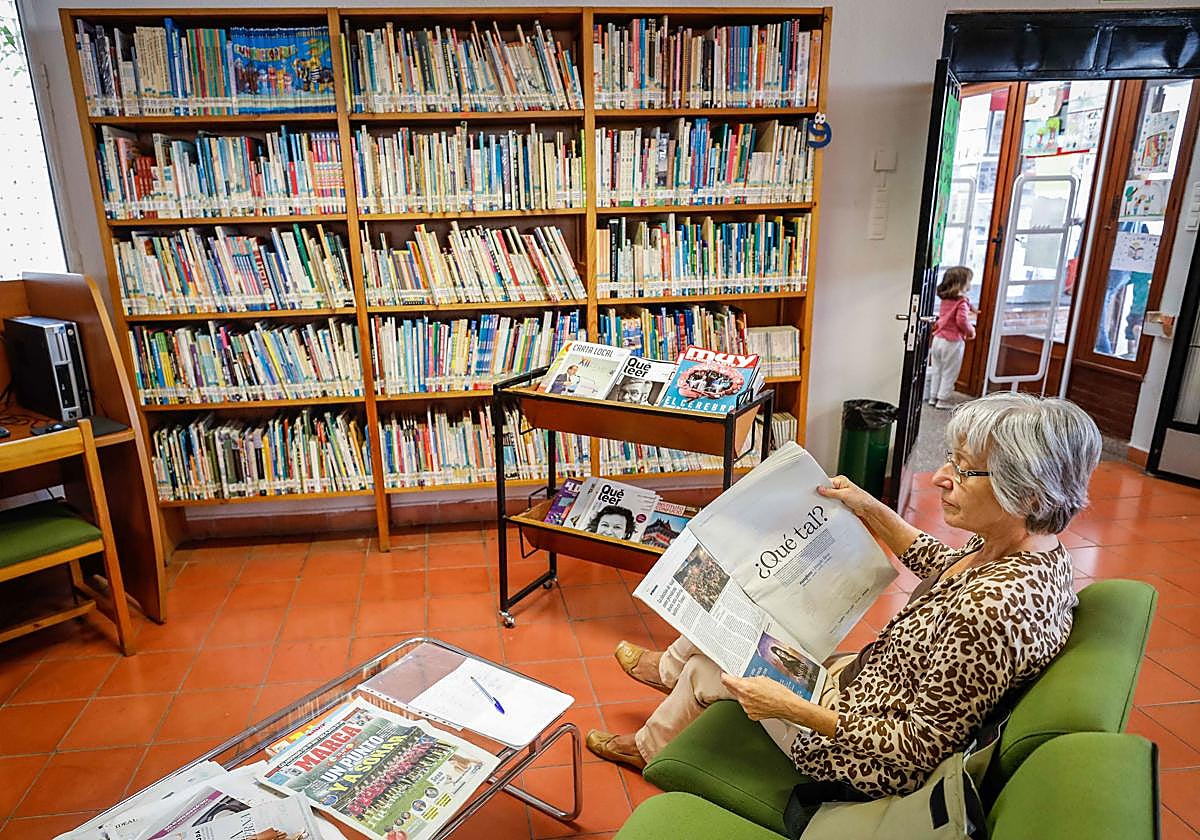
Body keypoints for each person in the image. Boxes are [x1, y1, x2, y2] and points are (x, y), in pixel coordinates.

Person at [586, 392, 1099, 798]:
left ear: (1028, 494)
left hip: (860, 749)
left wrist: (790, 707)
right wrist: (867, 506)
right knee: (740, 616)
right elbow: (945, 568)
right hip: (866, 680)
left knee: (710, 665)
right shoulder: (1027, 548)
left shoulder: (994, 611)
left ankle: (650, 745)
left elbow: (918, 747)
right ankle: (669, 676)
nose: (941, 478)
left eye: (964, 470)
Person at [925, 266, 976, 409]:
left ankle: (933, 397)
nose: (970, 284)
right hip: (952, 342)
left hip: (938, 339)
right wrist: (971, 331)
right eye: (969, 281)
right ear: (961, 283)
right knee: (950, 372)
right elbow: (962, 321)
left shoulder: (946, 298)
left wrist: (971, 307)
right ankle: (943, 400)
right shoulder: (962, 302)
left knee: (937, 369)